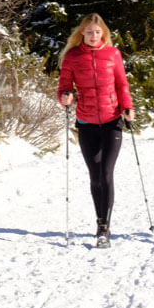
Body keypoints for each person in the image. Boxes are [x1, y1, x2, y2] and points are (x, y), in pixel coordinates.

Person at [57, 13, 134, 248]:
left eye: (97, 32)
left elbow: (122, 84)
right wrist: (65, 97)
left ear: (104, 34)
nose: (93, 36)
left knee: (106, 172)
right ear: (82, 32)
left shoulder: (113, 55)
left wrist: (128, 107)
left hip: (112, 120)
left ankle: (103, 227)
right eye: (89, 32)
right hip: (87, 121)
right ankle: (100, 219)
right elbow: (64, 87)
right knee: (95, 174)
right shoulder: (72, 56)